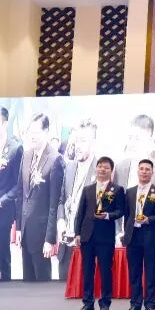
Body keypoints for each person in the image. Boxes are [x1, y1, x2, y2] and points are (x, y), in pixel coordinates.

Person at [15, 113, 65, 281]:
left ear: (46, 132)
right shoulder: (26, 154)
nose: (32, 136)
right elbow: (20, 194)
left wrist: (49, 239)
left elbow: (54, 203)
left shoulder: (55, 159)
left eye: (36, 132)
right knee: (27, 282)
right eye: (30, 132)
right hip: (25, 232)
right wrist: (19, 227)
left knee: (42, 284)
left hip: (42, 235)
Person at [74, 156, 125, 310]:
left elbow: (120, 211)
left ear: (111, 171)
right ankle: (87, 303)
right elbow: (80, 213)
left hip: (105, 237)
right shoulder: (88, 189)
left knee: (105, 271)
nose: (102, 169)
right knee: (87, 271)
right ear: (96, 168)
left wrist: (108, 215)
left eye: (106, 167)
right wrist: (77, 233)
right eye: (100, 166)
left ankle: (105, 304)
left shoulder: (117, 189)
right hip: (87, 236)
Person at [122, 159, 155, 310]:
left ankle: (150, 305)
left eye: (147, 169)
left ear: (152, 172)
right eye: (142, 169)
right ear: (137, 171)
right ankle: (135, 304)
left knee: (150, 272)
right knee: (134, 272)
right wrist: (125, 233)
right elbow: (127, 214)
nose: (144, 171)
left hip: (149, 236)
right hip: (132, 236)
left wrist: (149, 219)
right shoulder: (130, 191)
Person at [56, 120, 98, 281]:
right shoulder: (70, 167)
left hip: (87, 247)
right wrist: (60, 220)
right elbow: (61, 200)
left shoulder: (101, 171)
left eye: (83, 141)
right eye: (76, 140)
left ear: (93, 143)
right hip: (65, 246)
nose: (78, 146)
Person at [113, 115, 155, 189]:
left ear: (150, 141)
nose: (131, 143)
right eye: (130, 137)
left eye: (137, 139)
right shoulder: (120, 167)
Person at [0, 106, 23, 281]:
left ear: (4, 123)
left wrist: (3, 199)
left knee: (2, 250)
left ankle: (6, 282)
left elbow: (18, 183)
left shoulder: (15, 148)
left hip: (4, 208)